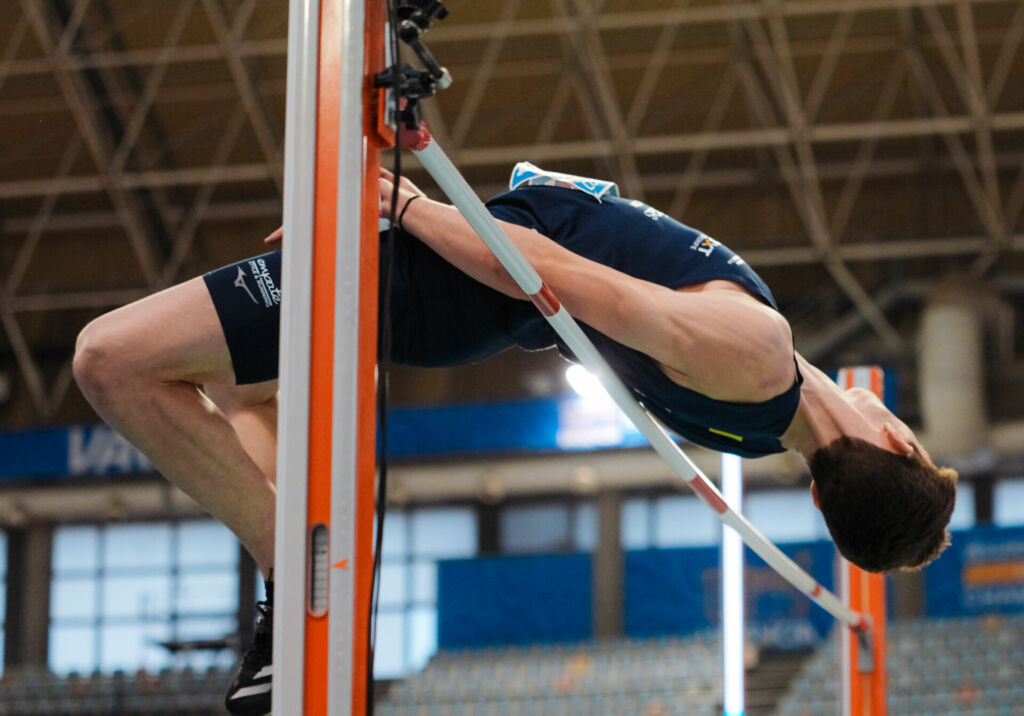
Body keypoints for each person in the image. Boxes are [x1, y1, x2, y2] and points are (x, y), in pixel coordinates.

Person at [72, 166, 957, 714]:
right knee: (237, 386)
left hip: (447, 277)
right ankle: (294, 583)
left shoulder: (757, 358)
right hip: (459, 284)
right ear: (819, 494)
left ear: (898, 442)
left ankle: (295, 582)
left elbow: (545, 278)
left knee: (110, 361)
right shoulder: (757, 419)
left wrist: (407, 205)